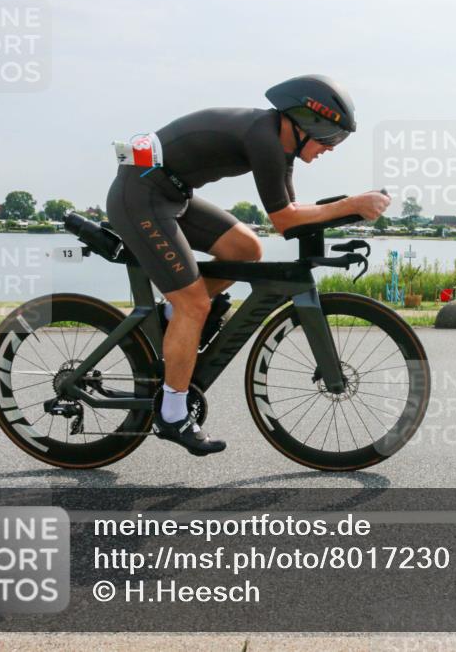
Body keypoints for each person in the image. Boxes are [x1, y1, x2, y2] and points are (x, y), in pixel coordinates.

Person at [106, 75, 391, 456]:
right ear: (306, 122)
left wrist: (345, 212)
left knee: (245, 248)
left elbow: (291, 215)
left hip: (171, 194)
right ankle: (172, 413)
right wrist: (351, 205)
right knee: (197, 305)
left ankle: (175, 315)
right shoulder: (265, 139)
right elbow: (285, 220)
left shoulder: (278, 142)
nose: (331, 148)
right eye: (329, 137)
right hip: (140, 195)